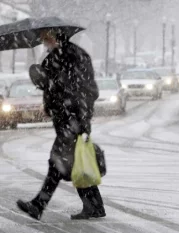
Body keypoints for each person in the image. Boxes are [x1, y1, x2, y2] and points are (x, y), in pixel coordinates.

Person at [16, 29, 105, 220]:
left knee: (56, 163)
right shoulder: (53, 57)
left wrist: (80, 117)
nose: (42, 40)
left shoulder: (75, 56)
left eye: (45, 36)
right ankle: (95, 206)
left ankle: (38, 205)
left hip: (73, 120)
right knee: (75, 163)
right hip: (65, 119)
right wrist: (41, 80)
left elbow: (89, 90)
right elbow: (49, 84)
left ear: (56, 35)